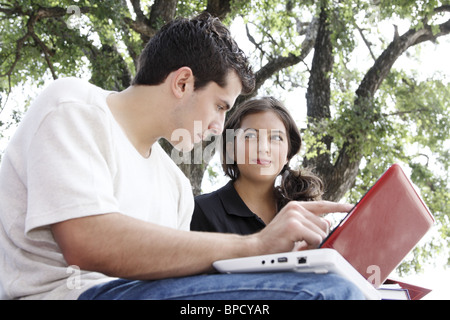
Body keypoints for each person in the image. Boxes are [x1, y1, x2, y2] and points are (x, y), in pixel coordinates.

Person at [0, 13, 363, 300]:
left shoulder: (173, 184)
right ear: (183, 82)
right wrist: (256, 245)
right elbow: (88, 242)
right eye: (220, 107)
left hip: (141, 292)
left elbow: (185, 283)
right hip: (71, 294)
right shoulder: (73, 106)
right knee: (328, 294)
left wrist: (287, 263)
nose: (221, 127)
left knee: (337, 282)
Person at [191, 97, 326, 240]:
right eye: (250, 136)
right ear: (231, 150)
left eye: (276, 138)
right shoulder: (200, 211)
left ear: (288, 154)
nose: (263, 148)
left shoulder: (302, 214)